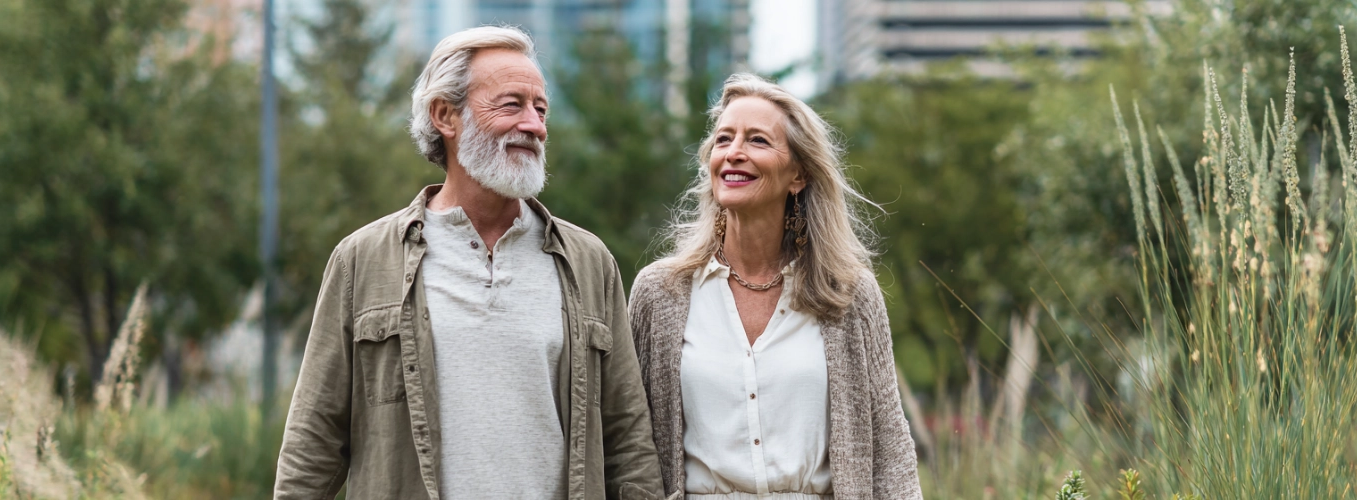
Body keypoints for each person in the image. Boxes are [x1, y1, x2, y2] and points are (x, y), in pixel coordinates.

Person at [275, 26, 665, 500]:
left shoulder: (589, 263)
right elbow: (313, 442)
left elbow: (628, 442)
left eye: (541, 109)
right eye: (511, 104)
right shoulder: (362, 260)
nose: (535, 125)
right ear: (445, 115)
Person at [629, 74, 923, 500]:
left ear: (798, 174)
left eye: (758, 141)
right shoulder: (661, 293)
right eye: (724, 139)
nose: (733, 154)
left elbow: (890, 449)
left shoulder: (848, 294)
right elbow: (630, 441)